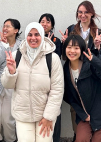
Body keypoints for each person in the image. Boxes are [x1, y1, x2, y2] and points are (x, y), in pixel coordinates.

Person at [1, 22, 64, 142]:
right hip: (23, 113)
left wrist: (49, 116)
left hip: (44, 114)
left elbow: (57, 89)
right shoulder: (16, 56)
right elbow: (6, 85)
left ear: (42, 35)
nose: (33, 38)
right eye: (30, 35)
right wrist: (12, 72)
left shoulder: (52, 58)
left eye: (37, 34)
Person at [60, 0, 101, 139]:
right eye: (80, 12)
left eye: (86, 12)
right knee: (76, 107)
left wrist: (98, 46)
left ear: (92, 13)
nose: (83, 15)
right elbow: (66, 53)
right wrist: (64, 44)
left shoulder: (97, 32)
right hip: (74, 71)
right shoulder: (72, 29)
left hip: (91, 74)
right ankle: (78, 134)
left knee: (91, 106)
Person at [63, 35, 101, 142]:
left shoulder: (90, 64)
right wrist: (83, 115)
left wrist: (95, 61)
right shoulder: (65, 69)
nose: (72, 51)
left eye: (76, 48)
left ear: (82, 50)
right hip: (85, 115)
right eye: (69, 47)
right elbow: (69, 97)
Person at [0, 19, 21, 142]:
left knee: (8, 120)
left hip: (13, 86)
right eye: (4, 26)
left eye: (8, 26)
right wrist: (3, 46)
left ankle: (10, 139)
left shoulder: (22, 45)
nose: (5, 28)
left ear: (16, 30)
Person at [39, 13, 63, 142]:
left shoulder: (56, 41)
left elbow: (57, 59)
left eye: (48, 22)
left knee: (54, 109)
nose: (45, 24)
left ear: (52, 25)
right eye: (42, 21)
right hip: (38, 79)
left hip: (52, 78)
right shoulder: (34, 39)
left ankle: (55, 138)